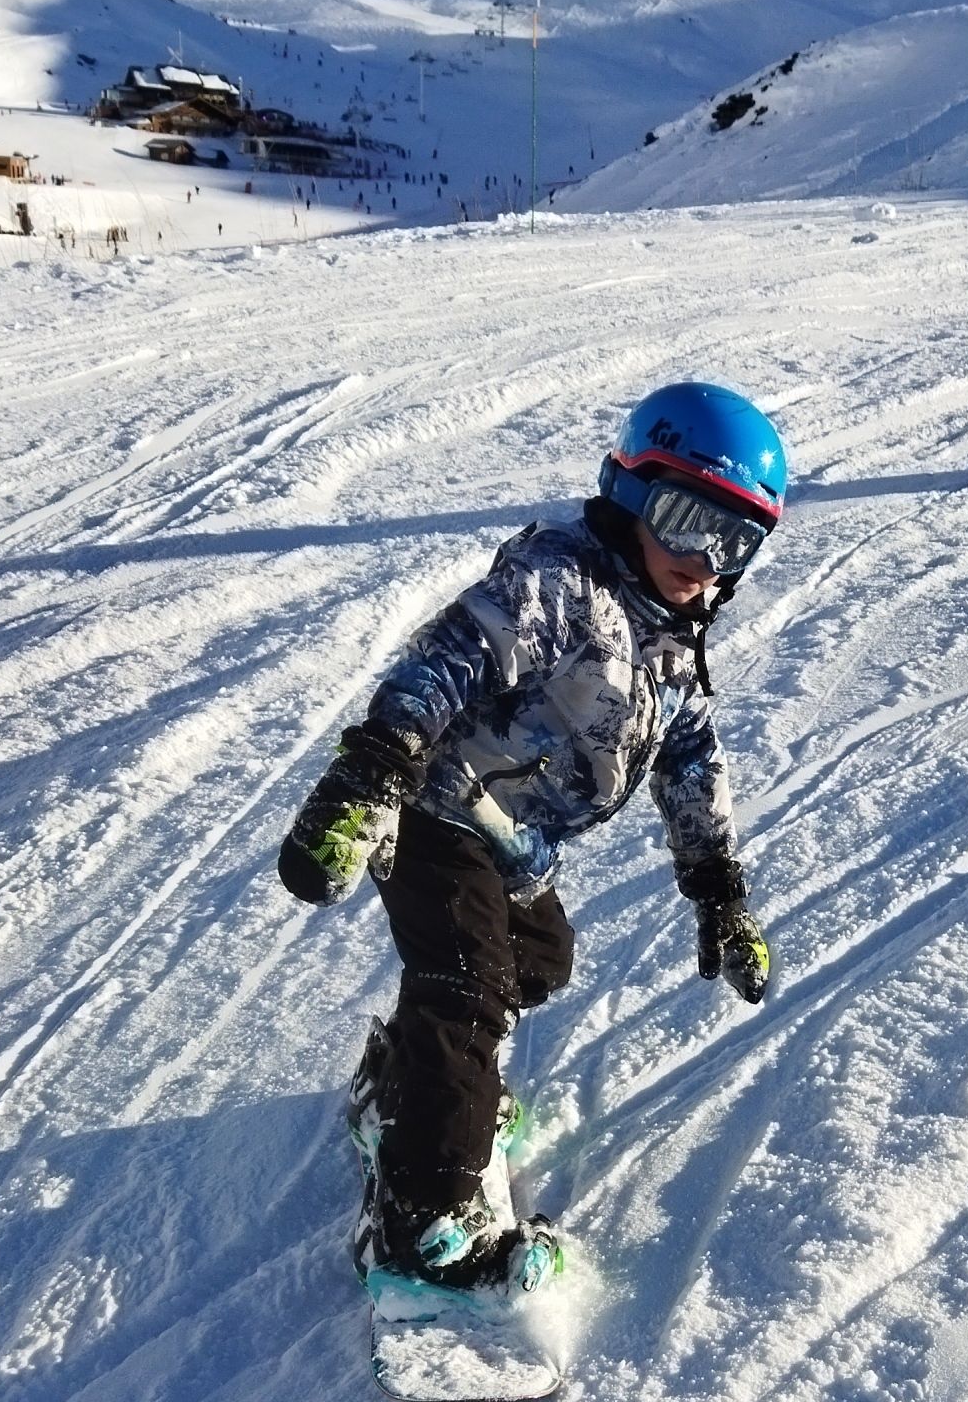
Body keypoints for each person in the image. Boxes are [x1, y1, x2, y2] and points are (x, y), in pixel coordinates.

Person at [278, 382, 783, 1291]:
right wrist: (372, 774)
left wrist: (719, 891)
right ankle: (423, 1224)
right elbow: (441, 663)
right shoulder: (561, 583)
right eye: (684, 520)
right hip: (436, 805)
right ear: (631, 493)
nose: (704, 561)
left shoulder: (674, 635)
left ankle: (409, 1085)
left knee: (539, 962)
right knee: (468, 982)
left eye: (734, 540)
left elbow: (689, 761)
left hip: (511, 838)